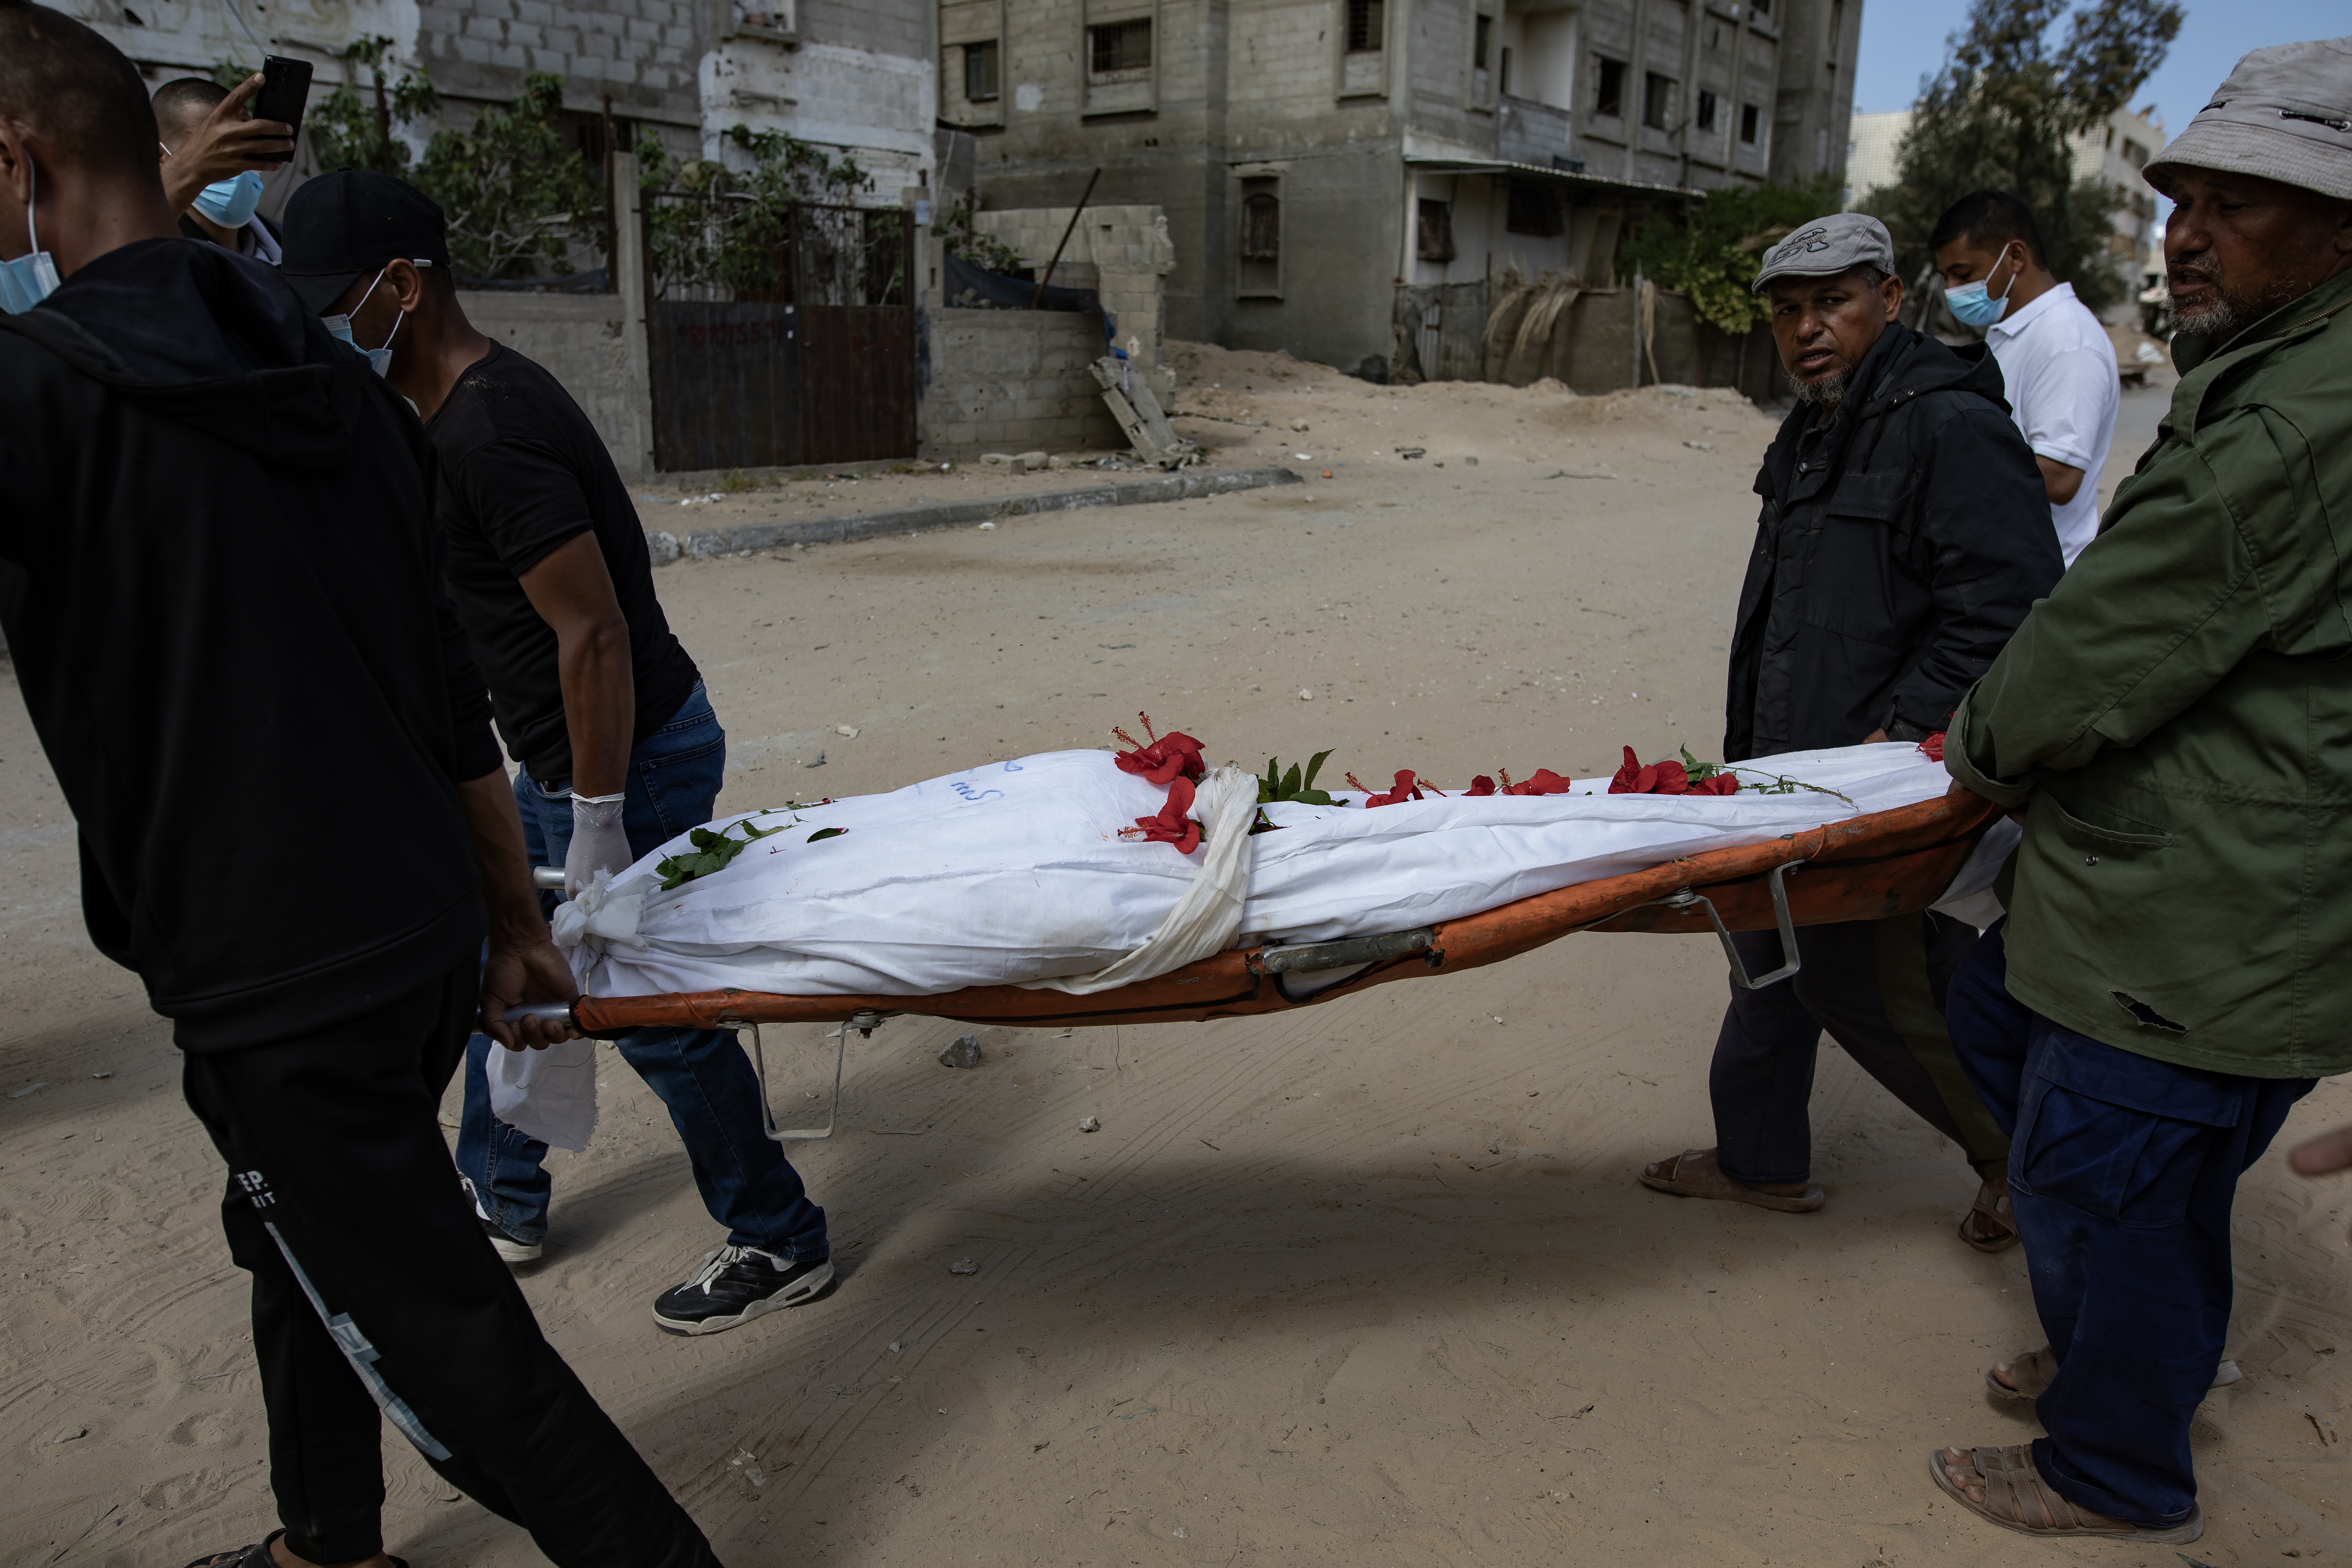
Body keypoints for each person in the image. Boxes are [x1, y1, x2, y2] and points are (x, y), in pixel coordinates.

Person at [0, 6, 722, 1565]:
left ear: (19, 161)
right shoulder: (334, 383)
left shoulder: (41, 391)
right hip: (406, 929)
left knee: (452, 1351)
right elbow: (444, 685)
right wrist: (505, 913)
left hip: (278, 974)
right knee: (300, 1241)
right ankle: (325, 1541)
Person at [279, 171, 836, 1335]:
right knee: (517, 970)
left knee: (650, 1011)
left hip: (628, 754)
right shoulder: (427, 413)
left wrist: (596, 814)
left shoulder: (490, 427)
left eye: (337, 301)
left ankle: (781, 1235)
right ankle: (504, 1193)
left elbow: (591, 635)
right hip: (559, 760)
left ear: (400, 285)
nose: (326, 325)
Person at [1931, 36, 2352, 1546]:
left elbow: (2103, 637)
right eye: (2181, 196)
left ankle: (2113, 1458)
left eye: (2237, 202)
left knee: (2117, 1179)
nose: (2184, 229)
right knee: (1998, 1039)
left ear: (2340, 231)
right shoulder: (2273, 370)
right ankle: (2120, 1353)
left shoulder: (2298, 421)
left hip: (2202, 919)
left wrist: (1970, 755)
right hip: (2148, 878)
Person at [1638, 212, 2061, 1251]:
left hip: (1873, 770)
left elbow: (2009, 603)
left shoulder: (1944, 422)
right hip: (1785, 761)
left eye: (1832, 303)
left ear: (1890, 297)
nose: (1808, 329)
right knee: (1766, 947)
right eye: (1789, 312)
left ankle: (2023, 1166)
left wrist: (1897, 735)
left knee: (1864, 974)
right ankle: (1760, 1159)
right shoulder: (1817, 424)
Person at [1930, 189, 2120, 568]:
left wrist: (1942, 467)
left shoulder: (2067, 341)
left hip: (2039, 577)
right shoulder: (2012, 331)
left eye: (1964, 274)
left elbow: (2061, 476)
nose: (1952, 290)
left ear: (2015, 257)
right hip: (2001, 565)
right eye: (1947, 277)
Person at [152, 75, 288, 263]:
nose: (233, 164)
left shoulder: (288, 247)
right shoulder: (152, 248)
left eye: (243, 143)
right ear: (160, 156)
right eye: (211, 147)